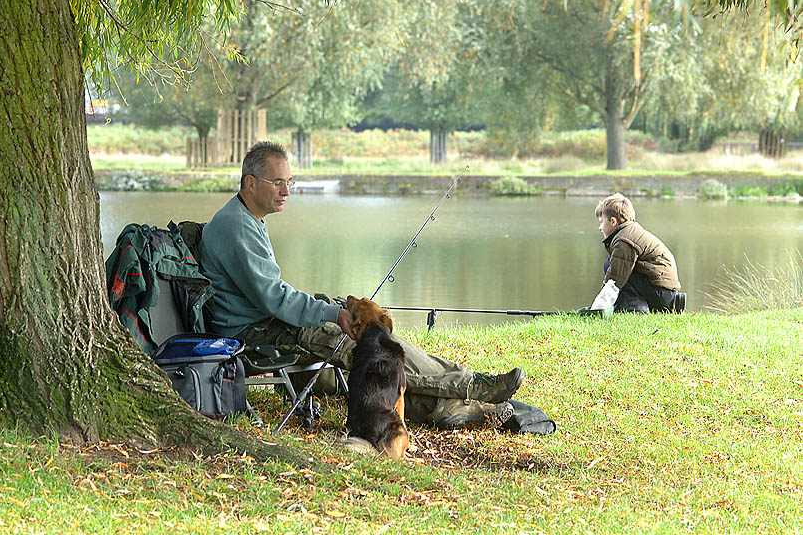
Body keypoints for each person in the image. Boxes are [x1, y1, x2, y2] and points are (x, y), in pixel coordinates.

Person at [200, 141, 524, 428]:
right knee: (370, 346)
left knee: (373, 337)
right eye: (278, 183)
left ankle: (457, 397)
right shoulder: (237, 227)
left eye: (290, 182)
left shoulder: (245, 218)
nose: (286, 191)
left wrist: (329, 307)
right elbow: (274, 298)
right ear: (250, 182)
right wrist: (330, 314)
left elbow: (270, 294)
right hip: (256, 331)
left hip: (266, 319)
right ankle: (467, 389)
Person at [594, 193, 686, 313]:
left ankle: (635, 308)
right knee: (613, 265)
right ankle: (660, 304)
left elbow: (614, 279)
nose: (600, 228)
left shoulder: (624, 240)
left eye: (601, 222)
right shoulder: (630, 231)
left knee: (613, 269)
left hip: (662, 293)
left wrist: (598, 308)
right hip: (662, 291)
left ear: (613, 221)